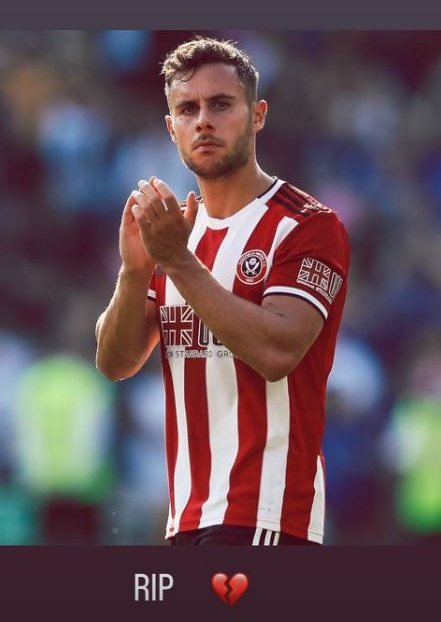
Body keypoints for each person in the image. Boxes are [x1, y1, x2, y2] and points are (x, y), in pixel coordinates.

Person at [96, 37, 350, 546]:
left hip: (269, 518)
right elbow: (116, 362)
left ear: (257, 115)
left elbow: (276, 351)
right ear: (172, 128)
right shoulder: (177, 233)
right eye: (187, 109)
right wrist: (134, 271)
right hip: (185, 520)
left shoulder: (306, 226)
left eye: (221, 104)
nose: (203, 121)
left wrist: (174, 260)